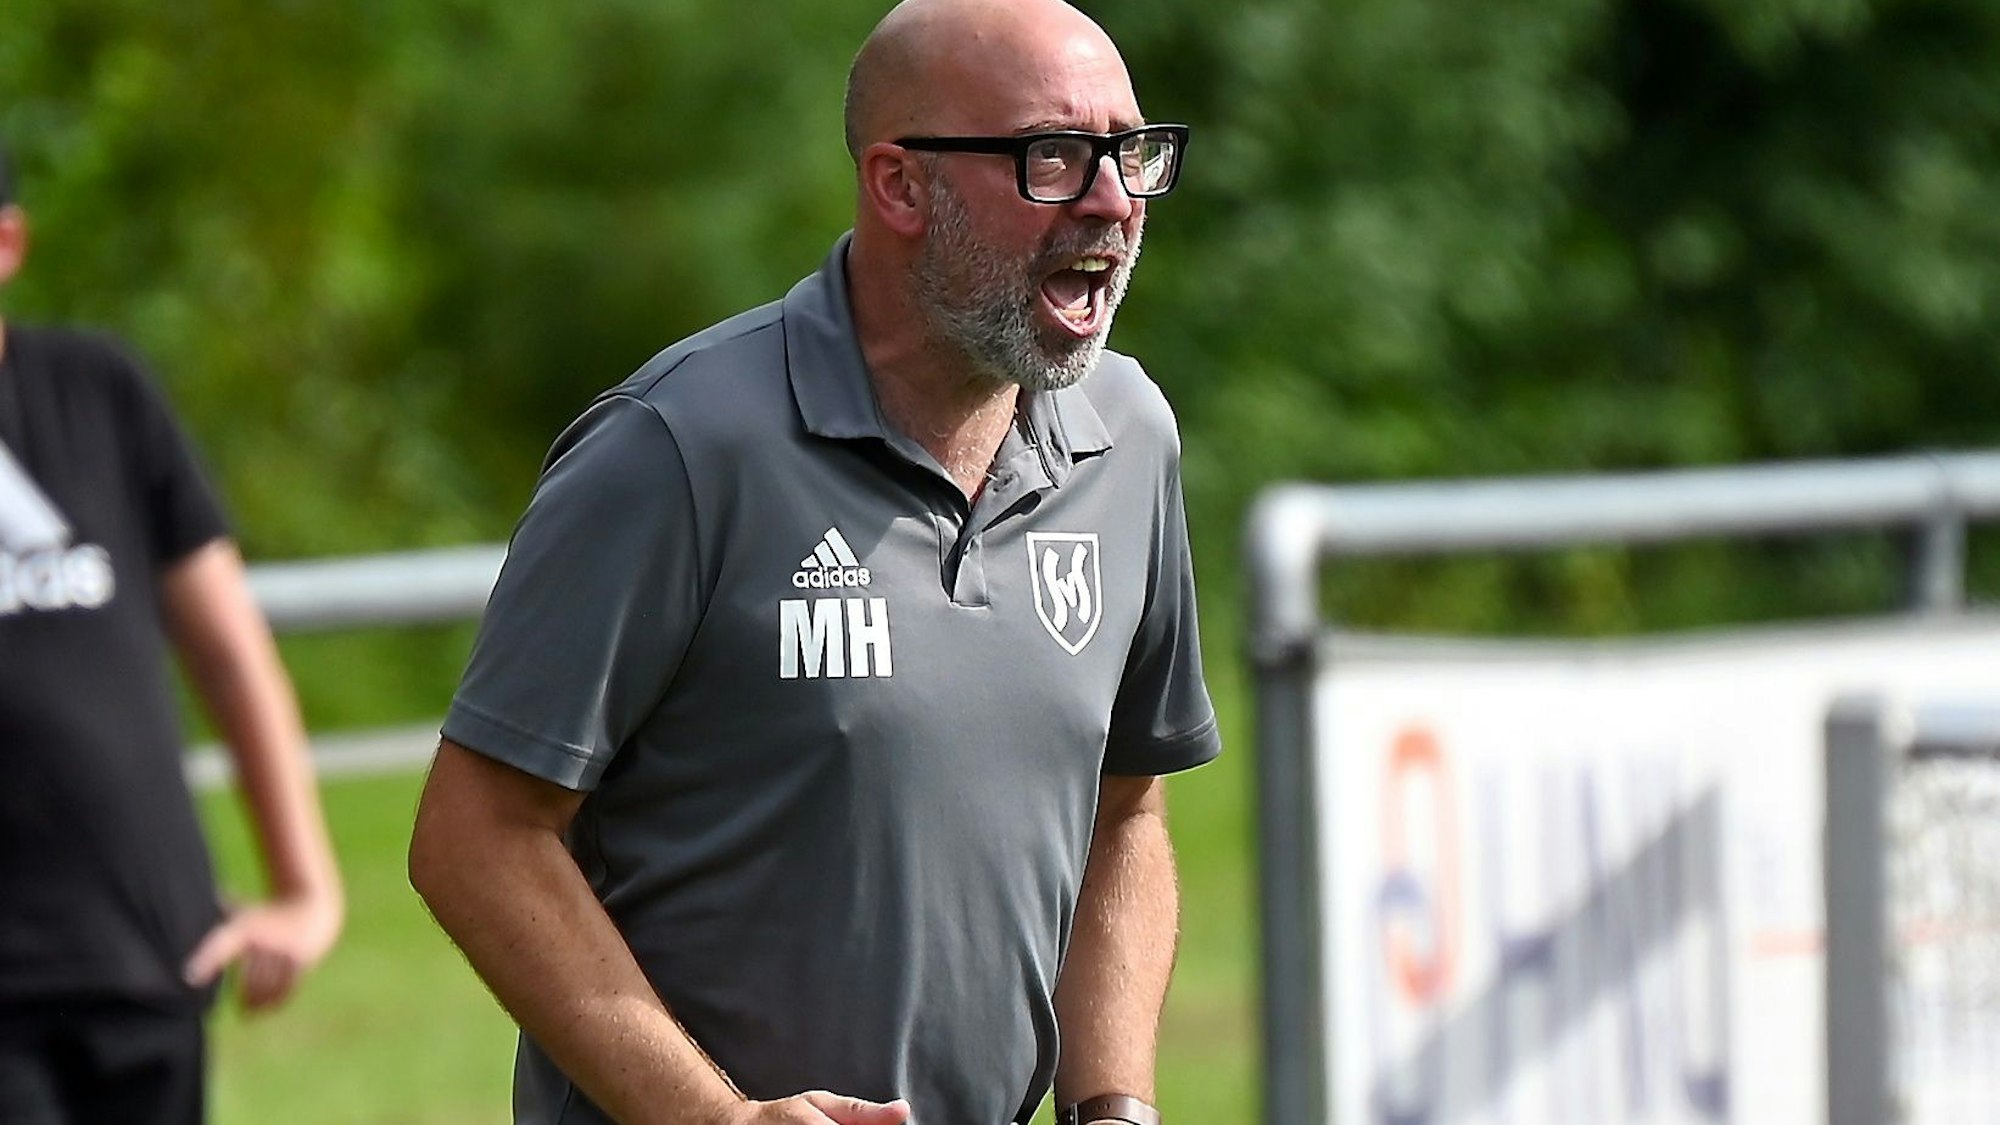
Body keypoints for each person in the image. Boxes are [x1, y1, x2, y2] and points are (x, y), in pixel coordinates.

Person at [407, 0, 1215, 1121]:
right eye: (1052, 157)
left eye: (1131, 155)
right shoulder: (679, 445)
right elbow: (476, 836)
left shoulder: (1126, 438)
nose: (1112, 201)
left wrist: (1112, 1103)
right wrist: (715, 1118)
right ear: (898, 186)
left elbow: (1124, 812)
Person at [0, 144, 344, 1124]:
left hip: (140, 958)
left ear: (8, 243)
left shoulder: (96, 390)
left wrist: (304, 889)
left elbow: (233, 660)